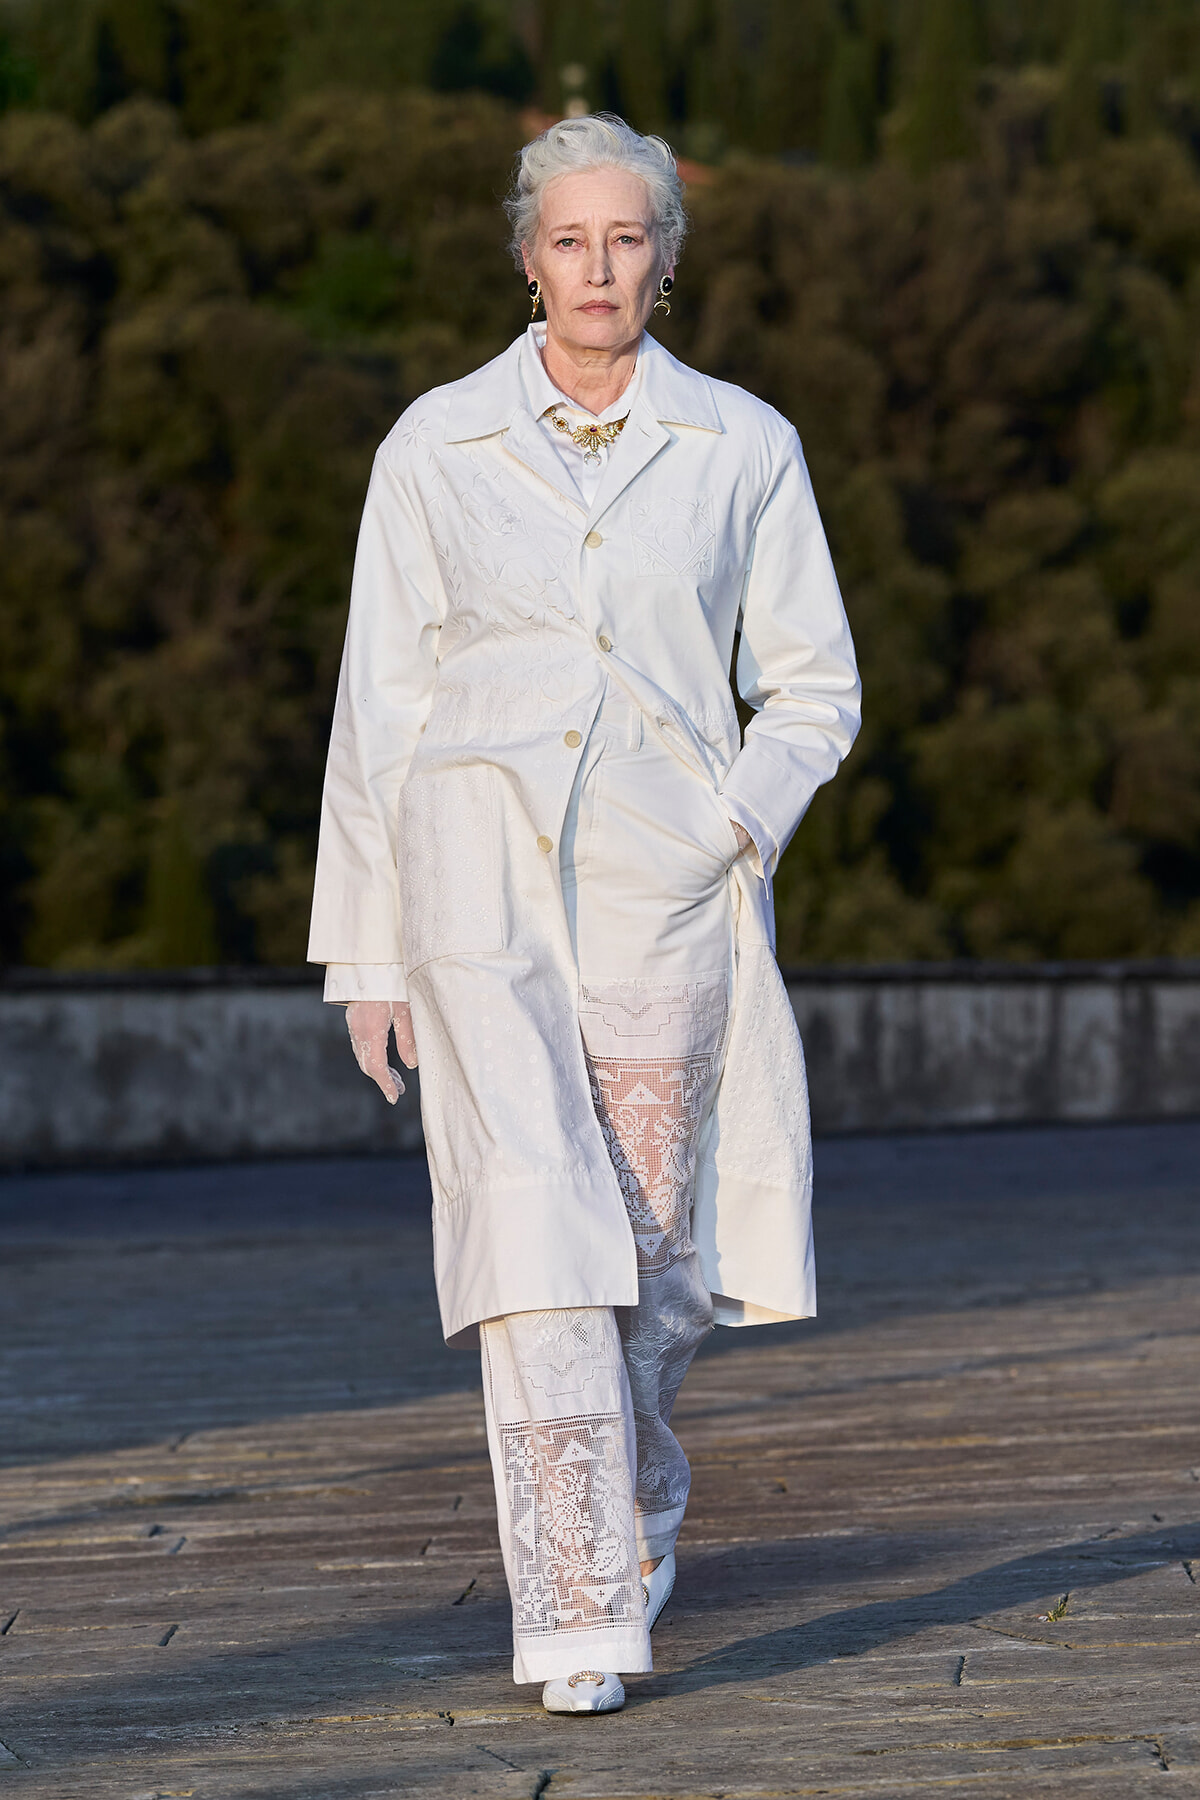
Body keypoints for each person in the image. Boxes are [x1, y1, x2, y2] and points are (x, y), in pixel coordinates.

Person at [308, 112, 860, 1715]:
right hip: (473, 893)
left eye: (628, 240)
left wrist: (732, 825)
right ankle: (577, 1622)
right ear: (528, 253)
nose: (598, 268)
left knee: (659, 1261)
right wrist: (369, 954)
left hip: (662, 901)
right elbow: (380, 708)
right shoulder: (434, 446)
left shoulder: (744, 445)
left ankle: (633, 1501)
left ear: (665, 257)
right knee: (536, 1248)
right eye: (569, 239)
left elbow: (814, 687)